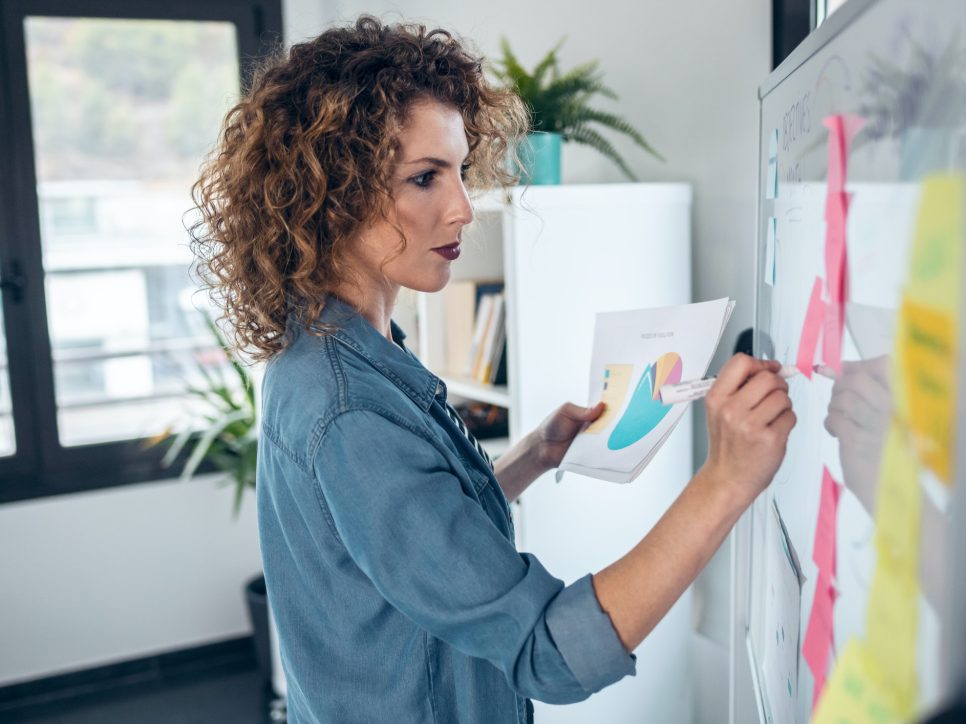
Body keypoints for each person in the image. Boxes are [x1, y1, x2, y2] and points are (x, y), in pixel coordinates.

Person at [191, 16, 796, 724]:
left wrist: (529, 460)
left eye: (458, 172)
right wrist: (727, 481)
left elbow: (405, 540)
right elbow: (548, 651)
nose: (461, 208)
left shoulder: (340, 347)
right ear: (332, 192)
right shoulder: (349, 406)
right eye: (424, 179)